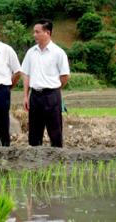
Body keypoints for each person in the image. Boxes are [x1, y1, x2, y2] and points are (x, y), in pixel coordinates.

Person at [22, 19, 70, 147]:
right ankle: (35, 161)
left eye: (37, 32)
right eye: (34, 32)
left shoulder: (58, 53)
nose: (34, 35)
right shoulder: (31, 52)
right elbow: (26, 74)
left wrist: (55, 88)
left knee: (55, 130)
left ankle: (57, 160)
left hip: (52, 96)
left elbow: (65, 76)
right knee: (34, 132)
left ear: (47, 33)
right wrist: (25, 96)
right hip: (35, 96)